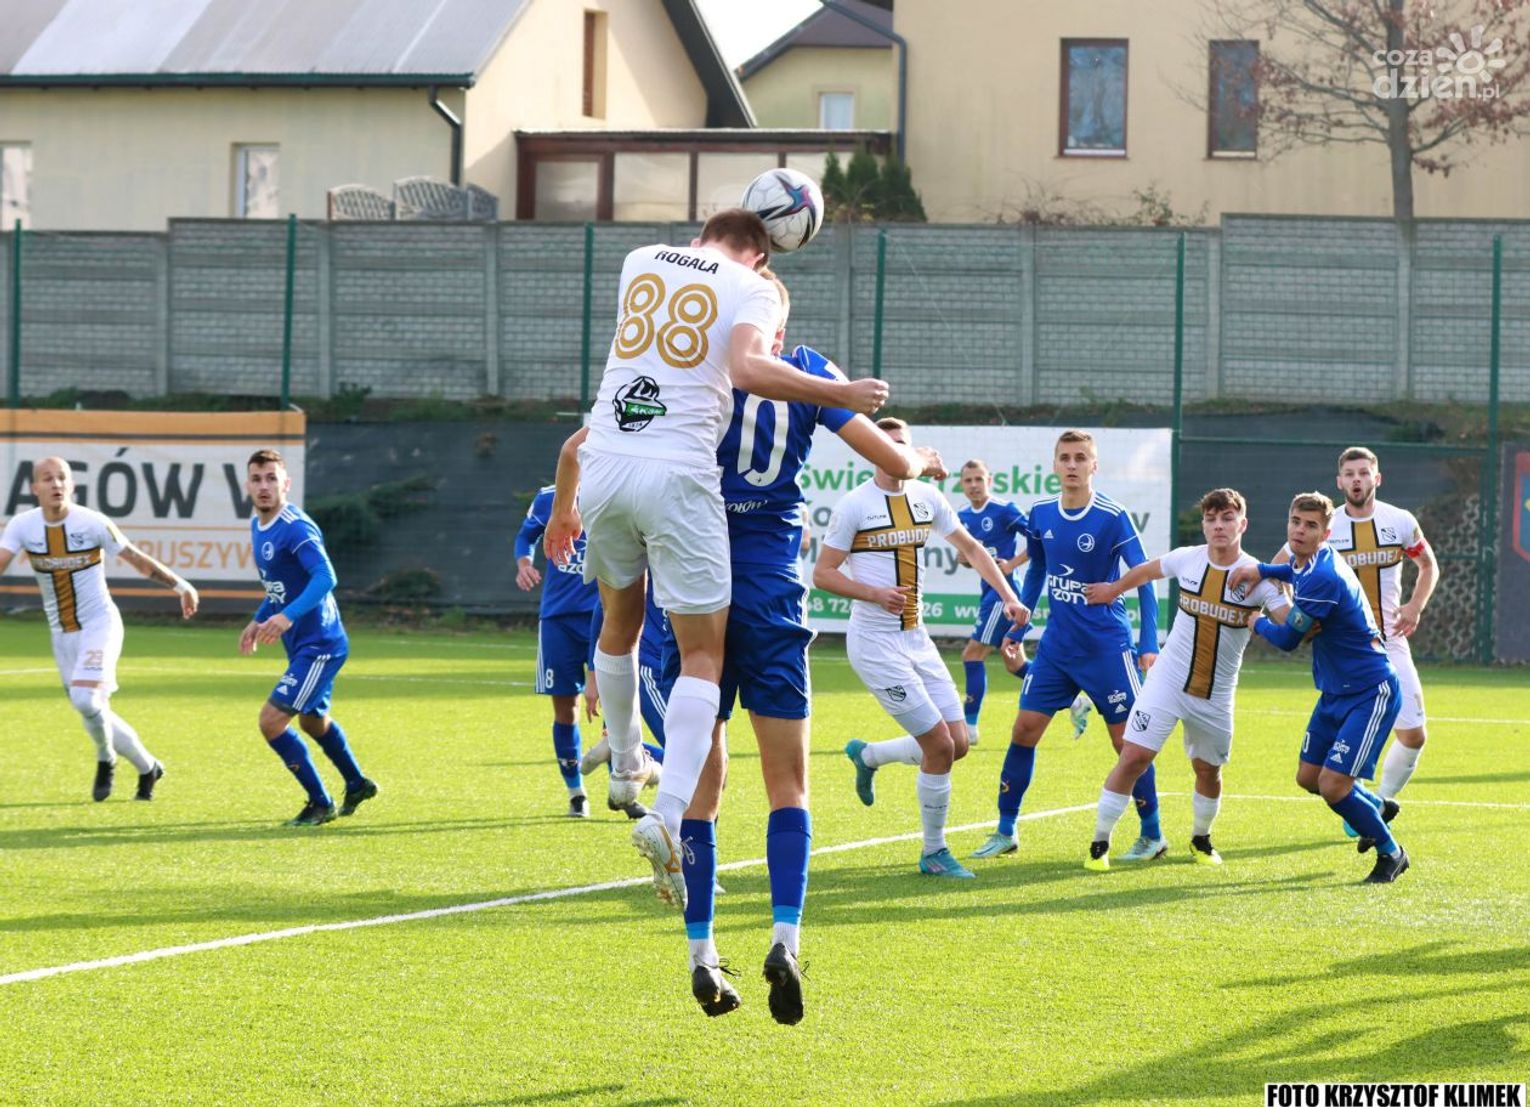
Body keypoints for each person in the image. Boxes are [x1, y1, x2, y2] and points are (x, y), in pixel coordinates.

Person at [555, 271, 941, 1024]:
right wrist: (920, 458)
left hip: (693, 583)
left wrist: (566, 508)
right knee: (788, 784)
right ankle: (785, 940)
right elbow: (894, 464)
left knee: (704, 790)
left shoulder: (690, 368)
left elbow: (582, 443)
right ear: (778, 323)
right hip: (769, 589)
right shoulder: (810, 373)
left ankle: (702, 953)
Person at [542, 209, 888, 910]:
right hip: (702, 508)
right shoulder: (756, 319)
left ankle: (627, 763)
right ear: (762, 259)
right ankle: (667, 815)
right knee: (709, 665)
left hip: (608, 466)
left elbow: (582, 438)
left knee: (622, 626)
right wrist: (850, 397)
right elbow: (750, 365)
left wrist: (562, 507)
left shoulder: (641, 259)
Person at [817, 418, 1023, 882]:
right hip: (874, 644)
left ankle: (869, 756)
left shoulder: (927, 497)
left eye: (902, 446)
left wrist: (1009, 596)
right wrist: (873, 594)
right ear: (873, 452)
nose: (896, 453)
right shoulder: (854, 505)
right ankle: (934, 852)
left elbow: (974, 549)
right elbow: (823, 573)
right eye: (887, 445)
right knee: (938, 745)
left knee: (959, 744)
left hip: (916, 637)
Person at [971, 430, 1163, 862]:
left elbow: (1147, 578)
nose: (1072, 465)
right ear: (1054, 465)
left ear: (1095, 465)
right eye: (1065, 458)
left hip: (1107, 649)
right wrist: (1019, 624)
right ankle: (1005, 830)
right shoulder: (1041, 513)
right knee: (1023, 730)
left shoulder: (1112, 516)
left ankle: (1152, 835)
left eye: (1080, 458)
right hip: (1057, 647)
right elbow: (1038, 568)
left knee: (1127, 745)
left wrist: (1148, 642)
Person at [1079, 488, 1288, 868]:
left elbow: (1291, 623)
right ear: (1204, 525)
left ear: (1243, 524)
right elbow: (1146, 570)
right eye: (1211, 519)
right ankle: (1099, 843)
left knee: (1208, 770)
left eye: (1227, 518)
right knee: (1133, 757)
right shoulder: (1187, 558)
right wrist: (1113, 590)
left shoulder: (1258, 578)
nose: (1218, 526)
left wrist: (1289, 595)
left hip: (1215, 693)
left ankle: (1201, 839)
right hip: (1167, 681)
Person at [1231, 491, 1409, 883]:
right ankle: (1376, 808)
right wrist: (1262, 569)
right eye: (1295, 521)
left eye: (1311, 525)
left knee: (1333, 786)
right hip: (1335, 691)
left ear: (1326, 534)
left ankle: (1391, 853)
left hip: (1370, 691)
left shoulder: (1323, 576)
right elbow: (1293, 572)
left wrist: (1256, 622)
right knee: (1309, 779)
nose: (1300, 530)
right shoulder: (1310, 563)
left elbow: (1287, 640)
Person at [0, 456, 198, 801]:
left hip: (100, 624)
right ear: (34, 488)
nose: (56, 484)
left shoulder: (93, 522)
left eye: (62, 477)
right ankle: (149, 767)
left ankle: (106, 759)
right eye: (47, 478)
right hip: (62, 634)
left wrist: (181, 586)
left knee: (84, 698)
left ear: (72, 485)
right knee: (91, 708)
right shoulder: (22, 526)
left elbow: (136, 558)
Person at [1285, 447, 1438, 808]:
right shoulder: (1325, 527)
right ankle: (1364, 805)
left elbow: (1428, 565)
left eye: (1364, 473)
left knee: (1414, 736)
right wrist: (1297, 618)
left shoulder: (1399, 520)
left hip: (1391, 642)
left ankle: (1380, 802)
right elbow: (1283, 571)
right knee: (1331, 753)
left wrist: (1415, 606)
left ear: (1377, 478)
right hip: (1344, 651)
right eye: (1350, 474)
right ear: (1339, 482)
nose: (1357, 480)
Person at [240, 449, 378, 827]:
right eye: (257, 479)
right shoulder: (258, 525)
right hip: (303, 644)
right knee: (313, 723)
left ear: (286, 483)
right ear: (247, 485)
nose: (264, 486)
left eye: (272, 478)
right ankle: (357, 783)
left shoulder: (295, 527)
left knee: (271, 721)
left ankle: (320, 803)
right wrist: (259, 619)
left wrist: (285, 617)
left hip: (321, 645)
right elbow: (281, 585)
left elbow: (325, 577)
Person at [516, 482, 603, 817]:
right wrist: (525, 564)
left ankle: (623, 786)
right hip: (558, 619)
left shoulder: (617, 486)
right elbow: (526, 536)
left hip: (606, 616)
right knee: (566, 709)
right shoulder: (550, 497)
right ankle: (576, 793)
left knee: (616, 705)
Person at [954, 459, 1029, 746]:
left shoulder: (1004, 509)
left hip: (1004, 594)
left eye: (979, 479)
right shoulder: (962, 516)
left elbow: (1036, 539)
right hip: (989, 592)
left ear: (990, 481)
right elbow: (966, 558)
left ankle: (969, 728)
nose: (974, 485)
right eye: (968, 480)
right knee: (1014, 663)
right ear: (962, 484)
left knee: (972, 654)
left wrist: (1010, 565)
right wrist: (963, 558)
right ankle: (1073, 699)